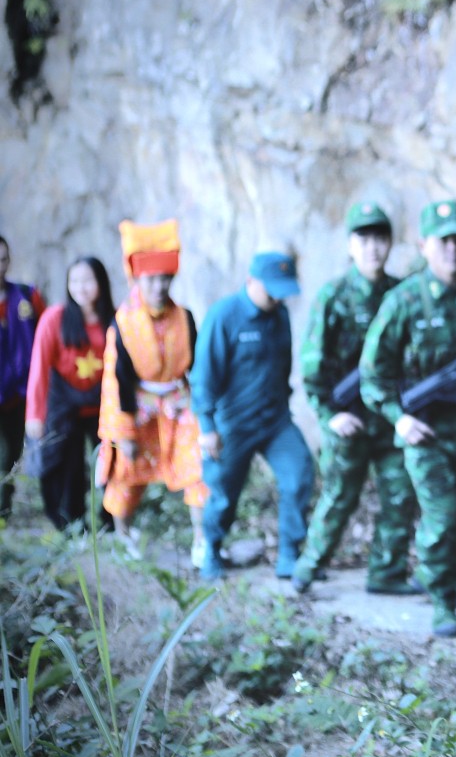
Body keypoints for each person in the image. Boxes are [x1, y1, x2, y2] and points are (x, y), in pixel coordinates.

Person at [361, 200, 456, 638]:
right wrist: (398, 419)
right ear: (423, 244)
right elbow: (373, 376)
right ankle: (443, 599)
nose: (452, 248)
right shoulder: (403, 302)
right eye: (443, 239)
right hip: (426, 435)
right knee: (441, 517)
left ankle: (439, 572)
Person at [291, 202, 419, 595]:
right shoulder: (334, 296)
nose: (373, 247)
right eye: (363, 238)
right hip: (347, 417)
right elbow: (312, 366)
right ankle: (308, 569)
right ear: (350, 244)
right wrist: (329, 415)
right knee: (339, 497)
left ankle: (386, 572)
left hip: (389, 416)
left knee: (400, 493)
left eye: (380, 238)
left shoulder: (400, 294)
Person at [191, 251, 315, 581]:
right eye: (271, 289)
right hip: (233, 424)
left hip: (275, 421)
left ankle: (289, 552)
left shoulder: (281, 316)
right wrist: (207, 426)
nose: (277, 297)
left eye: (282, 290)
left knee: (299, 472)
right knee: (223, 493)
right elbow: (203, 376)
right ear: (250, 281)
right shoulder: (224, 316)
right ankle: (212, 551)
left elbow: (284, 365)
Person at [96, 219, 207, 556]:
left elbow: (197, 370)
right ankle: (123, 533)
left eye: (165, 278)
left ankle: (202, 538)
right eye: (151, 278)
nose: (159, 285)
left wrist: (197, 405)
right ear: (138, 279)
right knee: (126, 471)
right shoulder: (123, 323)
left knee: (198, 467)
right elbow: (117, 380)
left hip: (177, 402)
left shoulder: (184, 317)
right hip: (137, 405)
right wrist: (124, 432)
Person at [25, 257, 116, 532]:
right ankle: (71, 524)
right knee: (67, 466)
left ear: (101, 283)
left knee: (113, 462)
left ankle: (111, 519)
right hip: (64, 402)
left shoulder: (114, 319)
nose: (81, 287)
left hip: (103, 402)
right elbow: (39, 368)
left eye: (87, 280)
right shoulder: (55, 318)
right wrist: (35, 415)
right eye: (74, 281)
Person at [0, 235, 46, 519]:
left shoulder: (27, 297)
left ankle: (3, 511)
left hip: (18, 395)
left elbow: (45, 336)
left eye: (3, 259)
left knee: (11, 454)